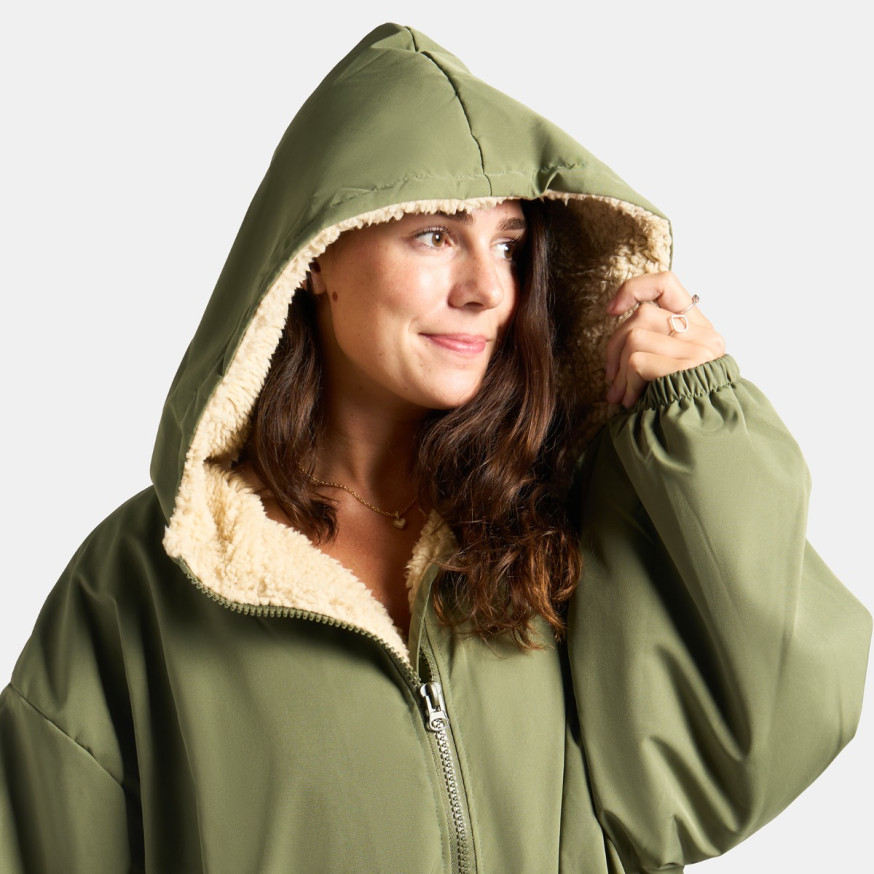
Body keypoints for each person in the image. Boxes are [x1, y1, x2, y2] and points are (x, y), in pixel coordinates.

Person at [0, 21, 869, 873]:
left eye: (509, 244)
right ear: (315, 254)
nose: (488, 289)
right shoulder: (149, 577)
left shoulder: (559, 524)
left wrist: (701, 419)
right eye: (435, 235)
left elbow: (776, 723)